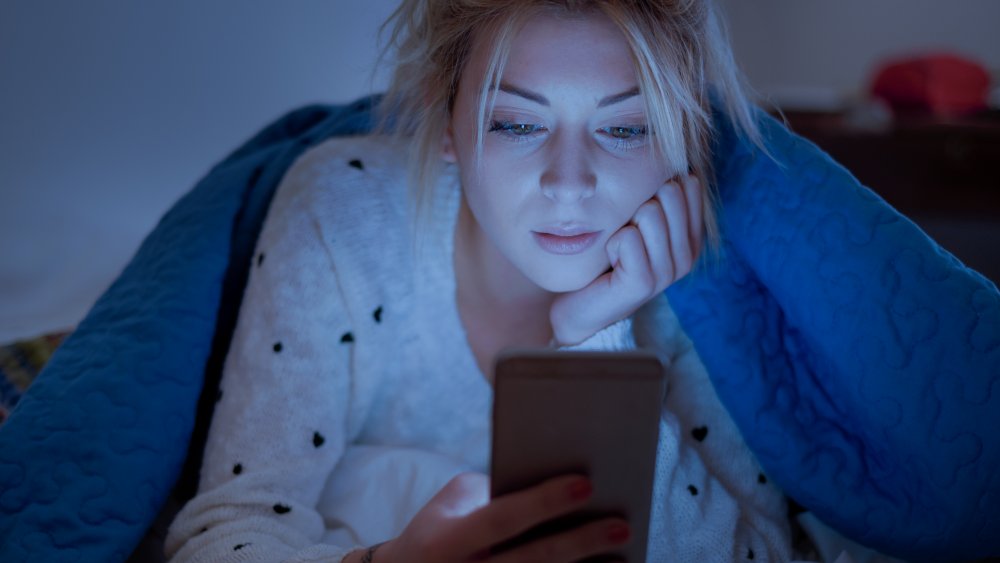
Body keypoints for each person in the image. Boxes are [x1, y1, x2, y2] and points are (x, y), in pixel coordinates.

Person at [163, 1, 862, 561]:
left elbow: (760, 553)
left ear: (680, 135)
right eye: (518, 123)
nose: (569, 183)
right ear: (445, 121)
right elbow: (223, 533)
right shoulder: (345, 216)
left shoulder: (697, 281)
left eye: (624, 130)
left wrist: (596, 335)